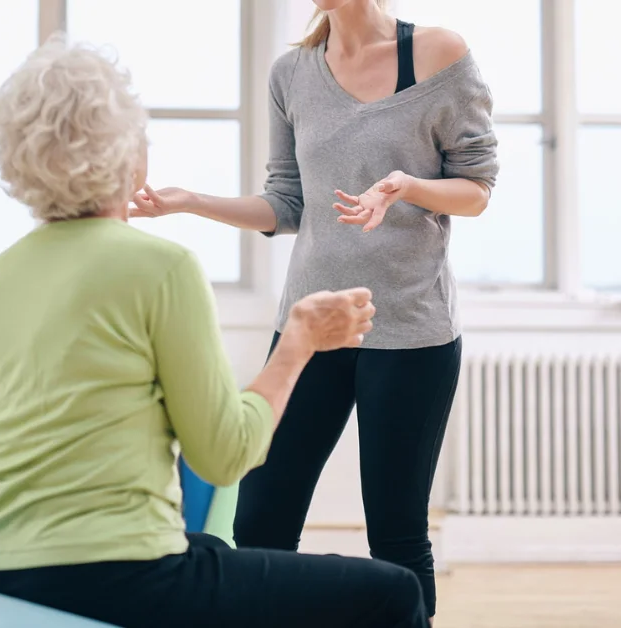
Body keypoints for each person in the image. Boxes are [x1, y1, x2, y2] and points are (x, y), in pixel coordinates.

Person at [0, 35, 428, 628]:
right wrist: (299, 342)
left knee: (215, 555)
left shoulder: (3, 273)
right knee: (393, 592)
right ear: (128, 155)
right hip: (114, 575)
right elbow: (226, 456)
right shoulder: (160, 268)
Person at [130, 0, 499, 623]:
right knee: (261, 517)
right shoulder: (292, 73)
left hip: (411, 330)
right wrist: (191, 201)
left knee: (396, 532)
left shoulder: (439, 54)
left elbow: (477, 188)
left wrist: (406, 185)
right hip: (311, 326)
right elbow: (288, 202)